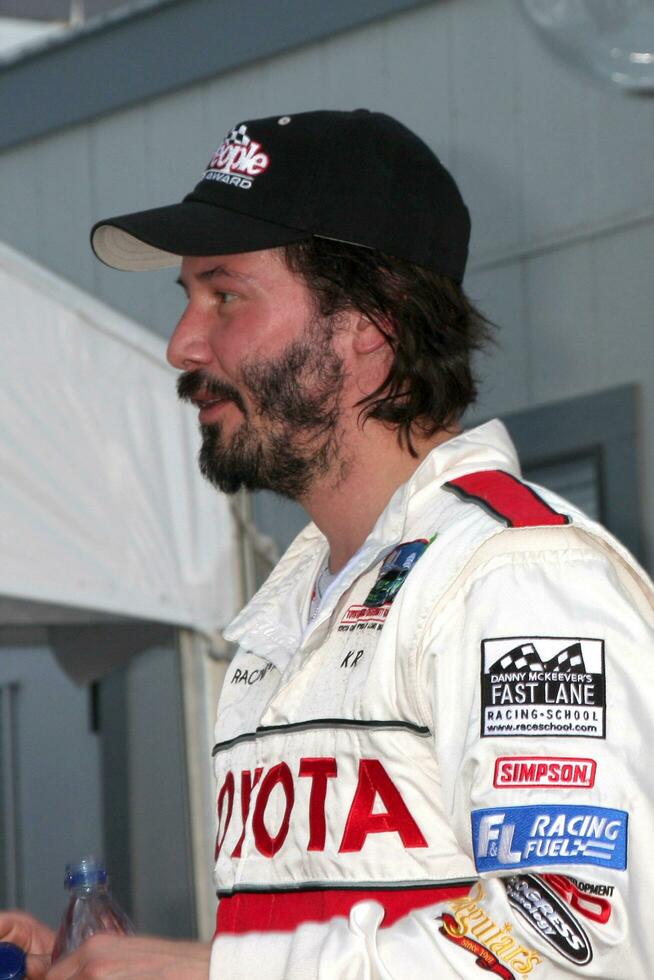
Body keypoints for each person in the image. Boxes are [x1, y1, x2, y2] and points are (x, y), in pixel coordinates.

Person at [2, 109, 652, 979]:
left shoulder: (521, 578)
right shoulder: (291, 608)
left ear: (370, 326)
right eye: (187, 298)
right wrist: (116, 965)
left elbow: (574, 941)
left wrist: (208, 974)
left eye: (225, 296)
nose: (181, 345)